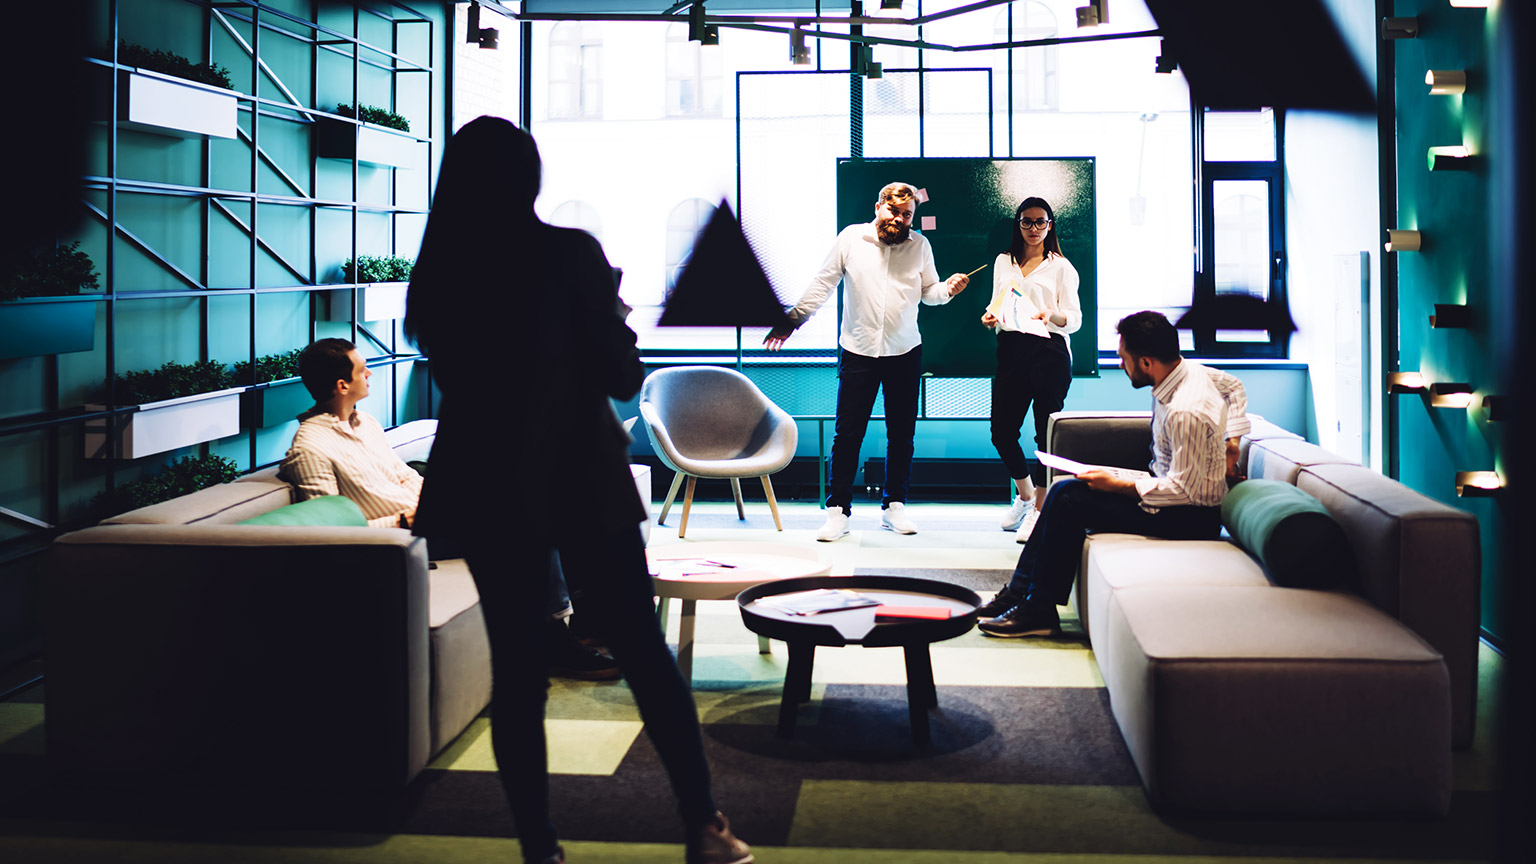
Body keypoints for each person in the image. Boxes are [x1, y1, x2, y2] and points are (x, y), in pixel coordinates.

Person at [403, 117, 751, 864]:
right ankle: (704, 827)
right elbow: (622, 375)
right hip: (579, 471)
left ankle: (540, 850)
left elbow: (468, 381)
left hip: (487, 480)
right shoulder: (566, 252)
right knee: (641, 649)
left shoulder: (439, 274)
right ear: (529, 176)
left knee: (519, 674)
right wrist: (613, 322)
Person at [278, 338, 619, 681]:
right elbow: (327, 532)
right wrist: (399, 520)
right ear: (342, 385)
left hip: (431, 519)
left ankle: (587, 618)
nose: (369, 372)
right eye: (361, 368)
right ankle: (557, 643)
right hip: (403, 536)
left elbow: (403, 474)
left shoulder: (364, 422)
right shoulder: (310, 447)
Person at [975, 311, 1250, 638]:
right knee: (1065, 488)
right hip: (1172, 494)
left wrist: (1118, 485)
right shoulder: (1190, 371)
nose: (1121, 365)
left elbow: (1183, 491)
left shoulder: (1185, 410)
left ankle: (1037, 609)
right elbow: (1234, 386)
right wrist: (1233, 443)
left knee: (1067, 500)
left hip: (1188, 517)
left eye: (1124, 359)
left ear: (1146, 362)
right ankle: (1021, 594)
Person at [764, 181, 971, 541]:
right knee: (848, 434)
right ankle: (838, 511)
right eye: (894, 211)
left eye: (907, 214)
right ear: (879, 207)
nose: (901, 219)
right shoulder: (851, 239)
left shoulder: (920, 244)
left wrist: (948, 291)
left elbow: (930, 293)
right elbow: (823, 282)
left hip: (904, 352)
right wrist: (794, 318)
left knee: (902, 434)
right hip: (858, 351)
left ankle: (894, 506)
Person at [981, 197, 1082, 543]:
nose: (1034, 229)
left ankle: (1040, 510)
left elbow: (1075, 318)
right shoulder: (1003, 261)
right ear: (1018, 224)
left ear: (1050, 225)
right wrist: (991, 317)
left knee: (1045, 435)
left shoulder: (1061, 267)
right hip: (1011, 349)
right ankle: (1025, 497)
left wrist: (1050, 315)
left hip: (1049, 351)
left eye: (1041, 222)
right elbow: (999, 301)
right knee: (1001, 431)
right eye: (1027, 222)